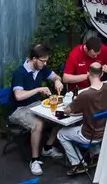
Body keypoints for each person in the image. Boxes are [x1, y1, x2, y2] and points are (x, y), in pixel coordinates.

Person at [9, 44, 66, 174]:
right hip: (19, 109)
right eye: (43, 61)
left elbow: (56, 76)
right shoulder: (20, 73)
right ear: (34, 58)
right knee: (38, 124)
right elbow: (18, 96)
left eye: (46, 61)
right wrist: (38, 89)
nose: (45, 64)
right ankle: (34, 160)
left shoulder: (42, 68)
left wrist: (57, 81)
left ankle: (47, 148)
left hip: (35, 105)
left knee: (59, 116)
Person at [58, 70, 107, 173]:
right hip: (106, 132)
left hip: (90, 135)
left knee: (61, 133)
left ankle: (78, 163)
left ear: (88, 74)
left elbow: (67, 111)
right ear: (101, 74)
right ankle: (96, 153)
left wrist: (73, 103)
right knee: (87, 123)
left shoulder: (85, 95)